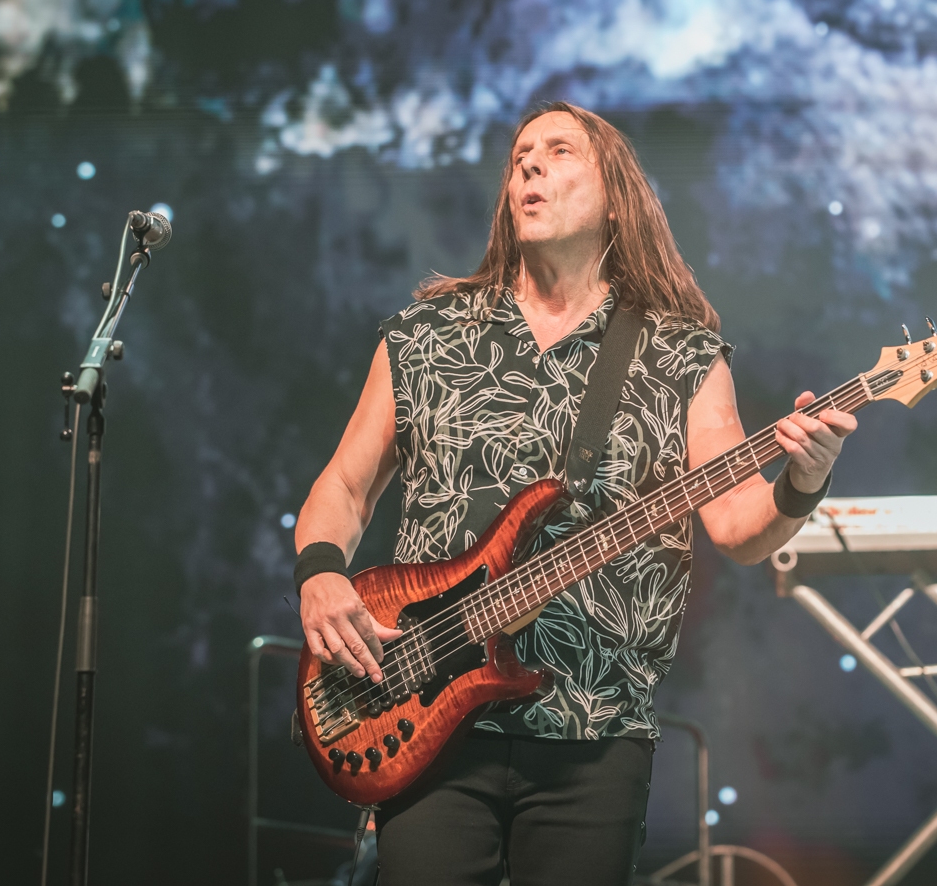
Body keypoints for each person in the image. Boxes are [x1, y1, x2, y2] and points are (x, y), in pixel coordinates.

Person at [292, 101, 857, 886]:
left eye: (560, 151)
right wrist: (319, 573)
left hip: (596, 726)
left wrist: (803, 479)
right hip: (422, 712)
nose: (529, 164)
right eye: (520, 156)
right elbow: (345, 485)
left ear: (616, 197)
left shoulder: (682, 355)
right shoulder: (427, 335)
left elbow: (736, 526)